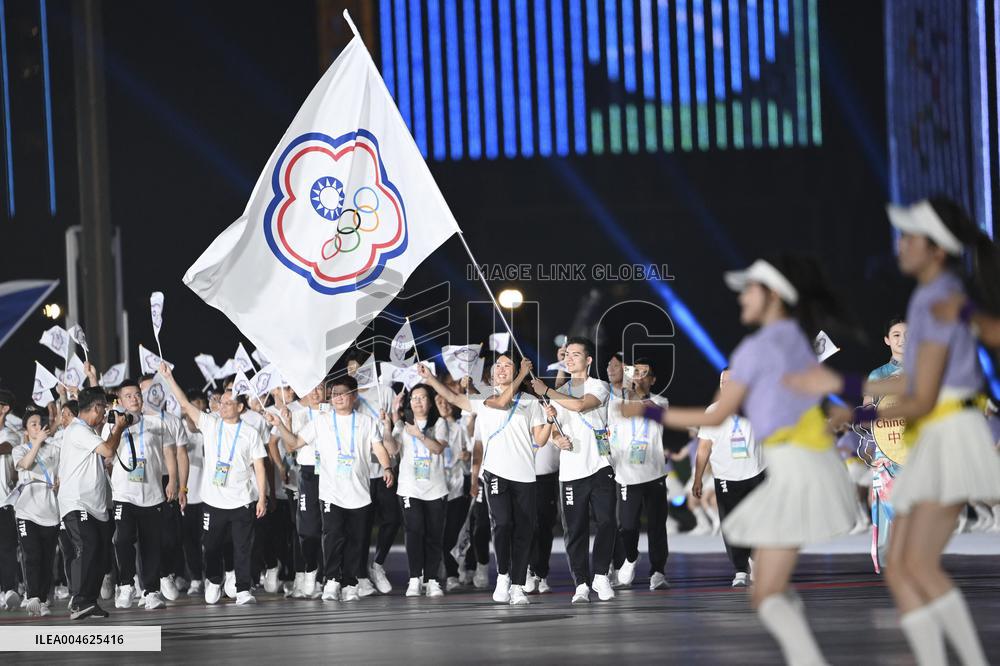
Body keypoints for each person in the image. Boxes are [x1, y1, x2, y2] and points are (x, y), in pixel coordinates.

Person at [785, 198, 1000, 665]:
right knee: (903, 564)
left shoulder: (939, 297)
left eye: (909, 237)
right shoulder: (930, 298)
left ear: (937, 249)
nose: (899, 245)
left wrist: (855, 415)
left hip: (950, 435)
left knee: (911, 564)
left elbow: (922, 394)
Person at [623, 255, 859, 664]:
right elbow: (838, 386)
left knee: (768, 590)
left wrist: (651, 412)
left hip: (794, 468)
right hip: (800, 466)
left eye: (749, 290)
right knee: (769, 590)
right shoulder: (788, 343)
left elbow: (713, 416)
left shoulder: (762, 348)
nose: (741, 298)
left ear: (772, 295)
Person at [421, 357, 553, 605]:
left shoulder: (530, 402)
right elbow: (454, 397)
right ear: (492, 376)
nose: (503, 370)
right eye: (499, 367)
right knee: (502, 525)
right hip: (496, 473)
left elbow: (541, 439)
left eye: (508, 366)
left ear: (515, 372)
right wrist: (430, 379)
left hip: (525, 475)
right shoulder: (484, 399)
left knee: (524, 530)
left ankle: (517, 586)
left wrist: (548, 419)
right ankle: (503, 575)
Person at [269, 375, 394, 602]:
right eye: (334, 394)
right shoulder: (322, 421)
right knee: (332, 537)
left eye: (342, 394)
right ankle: (332, 581)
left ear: (354, 396)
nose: (337, 398)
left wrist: (387, 468)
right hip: (330, 492)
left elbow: (379, 447)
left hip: (359, 492)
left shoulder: (367, 422)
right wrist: (280, 424)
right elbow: (294, 443)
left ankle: (350, 584)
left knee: (355, 540)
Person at [160, 363, 268, 606]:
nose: (222, 406)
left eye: (228, 403)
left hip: (242, 499)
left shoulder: (250, 432)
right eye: (221, 402)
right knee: (211, 546)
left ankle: (242, 589)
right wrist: (169, 378)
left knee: (242, 547)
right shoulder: (211, 424)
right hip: (213, 501)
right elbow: (186, 404)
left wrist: (262, 497)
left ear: (241, 407)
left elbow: (259, 467)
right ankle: (214, 579)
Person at [530, 336, 617, 604]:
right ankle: (581, 582)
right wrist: (558, 438)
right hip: (570, 472)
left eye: (575, 355)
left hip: (600, 465)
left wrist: (546, 390)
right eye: (566, 354)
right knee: (575, 530)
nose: (569, 358)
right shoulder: (560, 391)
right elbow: (554, 428)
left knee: (606, 522)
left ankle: (601, 574)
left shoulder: (599, 386)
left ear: (588, 360)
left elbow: (580, 405)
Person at [105, 379, 178, 610]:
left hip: (153, 493)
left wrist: (174, 481)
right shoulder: (112, 424)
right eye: (129, 396)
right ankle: (126, 585)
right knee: (123, 539)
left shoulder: (157, 423)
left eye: (137, 394)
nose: (135, 399)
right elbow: (107, 453)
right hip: (124, 493)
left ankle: (151, 591)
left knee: (151, 545)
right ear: (121, 400)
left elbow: (169, 453)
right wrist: (119, 427)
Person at [58, 386, 129, 620]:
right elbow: (109, 450)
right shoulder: (77, 430)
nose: (106, 411)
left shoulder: (88, 431)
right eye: (104, 407)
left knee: (101, 553)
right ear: (96, 407)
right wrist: (118, 428)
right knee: (87, 546)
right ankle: (78, 600)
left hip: (96, 505)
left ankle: (89, 601)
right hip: (78, 503)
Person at [693, 368, 767, 587]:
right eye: (724, 381)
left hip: (756, 473)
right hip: (726, 476)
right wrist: (698, 479)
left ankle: (755, 559)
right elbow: (704, 447)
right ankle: (740, 570)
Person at [608, 358, 671, 591]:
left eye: (644, 373)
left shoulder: (661, 402)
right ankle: (632, 557)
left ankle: (658, 571)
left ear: (653, 380)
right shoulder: (616, 404)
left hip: (654, 474)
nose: (639, 377)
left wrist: (635, 391)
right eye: (636, 373)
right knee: (627, 526)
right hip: (626, 475)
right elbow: (608, 432)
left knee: (657, 525)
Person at [384, 383, 449, 598]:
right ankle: (414, 578)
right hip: (410, 488)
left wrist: (419, 435)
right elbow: (392, 450)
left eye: (422, 397)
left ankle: (432, 580)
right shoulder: (402, 425)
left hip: (435, 489)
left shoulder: (439, 423)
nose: (418, 401)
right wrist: (387, 426)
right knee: (413, 532)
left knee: (434, 535)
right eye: (414, 398)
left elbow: (438, 448)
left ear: (430, 402)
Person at [345, 350, 400, 596]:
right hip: (361, 471)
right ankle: (360, 576)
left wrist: (390, 422)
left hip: (384, 467)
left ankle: (377, 565)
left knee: (392, 519)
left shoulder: (384, 392)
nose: (354, 372)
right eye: (350, 369)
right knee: (362, 526)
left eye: (358, 367)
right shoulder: (349, 398)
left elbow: (395, 429)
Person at [865, 318, 907, 571]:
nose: (903, 339)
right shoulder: (878, 375)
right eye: (897, 334)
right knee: (893, 508)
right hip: (887, 451)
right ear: (887, 340)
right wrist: (871, 452)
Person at [11, 406, 60, 616]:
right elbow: (25, 464)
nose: (39, 427)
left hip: (50, 512)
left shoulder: (54, 449)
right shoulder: (19, 450)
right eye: (33, 424)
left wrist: (60, 482)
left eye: (40, 423)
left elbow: (62, 473)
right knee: (32, 555)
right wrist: (37, 442)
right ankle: (33, 597)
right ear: (26, 430)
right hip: (26, 512)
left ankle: (40, 597)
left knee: (47, 559)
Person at [179, 389, 207, 596]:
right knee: (189, 542)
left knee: (211, 540)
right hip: (187, 496)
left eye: (201, 407)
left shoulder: (210, 428)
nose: (198, 411)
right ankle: (196, 578)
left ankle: (216, 577)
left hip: (208, 496)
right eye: (193, 406)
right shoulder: (178, 429)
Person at [0, 388, 21, 611]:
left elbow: (5, 448)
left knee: (6, 549)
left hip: (3, 503)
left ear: (4, 408)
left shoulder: (10, 434)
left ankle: (9, 590)